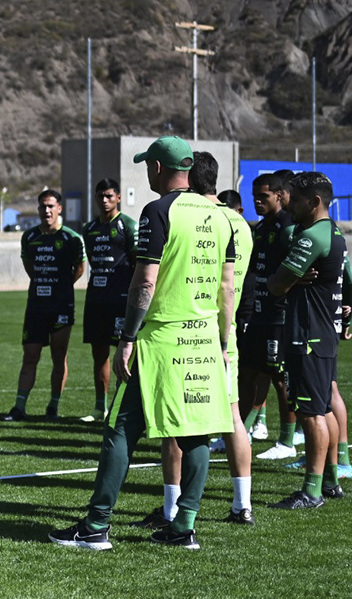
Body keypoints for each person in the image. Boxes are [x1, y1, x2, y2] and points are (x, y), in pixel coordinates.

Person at [49, 136, 236, 551]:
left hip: (159, 340)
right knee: (197, 433)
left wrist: (127, 337)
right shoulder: (221, 215)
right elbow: (227, 288)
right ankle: (183, 526)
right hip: (203, 339)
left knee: (119, 429)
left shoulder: (157, 211)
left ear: (156, 168)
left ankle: (96, 526)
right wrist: (222, 343)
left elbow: (146, 280)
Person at [130, 152, 257, 529]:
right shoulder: (237, 224)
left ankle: (173, 510)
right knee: (230, 417)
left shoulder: (181, 214)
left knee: (175, 423)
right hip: (222, 331)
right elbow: (233, 286)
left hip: (185, 331)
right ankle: (241, 504)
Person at [266, 172, 346, 508]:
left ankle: (311, 491)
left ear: (315, 202)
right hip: (322, 333)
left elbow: (275, 285)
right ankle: (329, 482)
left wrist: (288, 281)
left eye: (295, 200)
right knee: (323, 408)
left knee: (312, 414)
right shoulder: (334, 232)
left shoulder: (311, 237)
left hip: (308, 335)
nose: (290, 205)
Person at [6, 190, 84, 421]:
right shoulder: (29, 237)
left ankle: (53, 406)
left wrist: (61, 287)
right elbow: (29, 266)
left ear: (60, 208)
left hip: (61, 306)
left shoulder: (71, 238)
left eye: (51, 206)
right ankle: (19, 407)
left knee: (59, 356)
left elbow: (79, 269)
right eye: (42, 206)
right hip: (36, 306)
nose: (46, 211)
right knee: (30, 356)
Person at [243, 172, 299, 458]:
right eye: (255, 196)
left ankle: (287, 442)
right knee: (248, 372)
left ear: (279, 195)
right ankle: (241, 432)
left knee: (281, 378)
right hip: (259, 314)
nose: (257, 201)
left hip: (280, 316)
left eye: (263, 196)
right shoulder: (261, 227)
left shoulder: (289, 228)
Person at [79, 179, 137, 422]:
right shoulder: (89, 228)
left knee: (123, 355)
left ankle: (122, 408)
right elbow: (92, 261)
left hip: (120, 301)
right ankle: (99, 407)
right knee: (98, 354)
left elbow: (137, 263)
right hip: (96, 300)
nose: (104, 200)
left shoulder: (129, 226)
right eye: (100, 196)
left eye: (109, 196)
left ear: (119, 198)